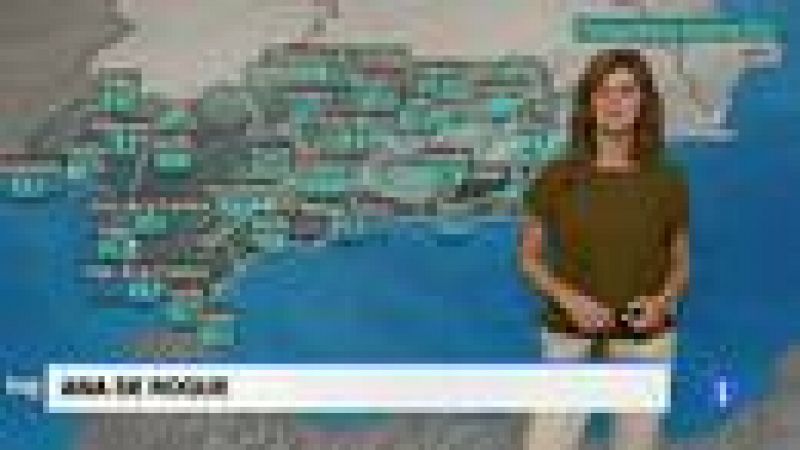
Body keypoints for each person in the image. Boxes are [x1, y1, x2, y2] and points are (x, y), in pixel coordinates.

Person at [518, 49, 690, 450]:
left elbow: (681, 262)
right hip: (569, 331)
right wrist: (569, 299)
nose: (615, 102)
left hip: (646, 336)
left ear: (643, 101)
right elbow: (528, 258)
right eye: (603, 91)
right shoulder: (557, 176)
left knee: (636, 443)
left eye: (626, 91)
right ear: (589, 102)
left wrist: (662, 302)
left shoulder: (668, 180)